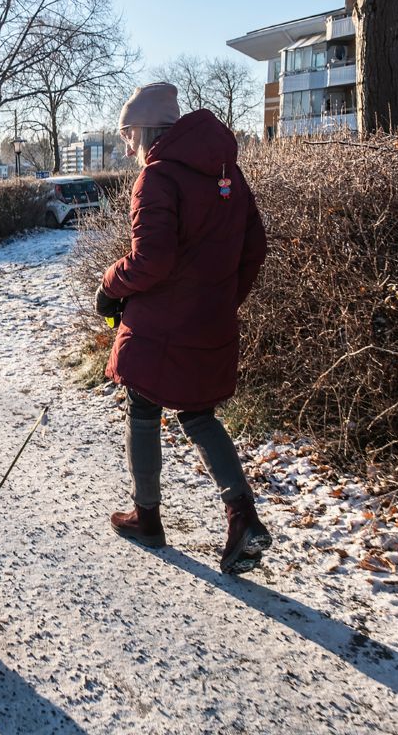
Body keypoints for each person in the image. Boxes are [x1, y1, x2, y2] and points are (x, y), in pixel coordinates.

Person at [95, 82, 270, 574]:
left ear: (146, 130)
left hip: (159, 326)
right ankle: (243, 516)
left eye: (128, 134)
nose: (127, 147)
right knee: (198, 414)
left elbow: (152, 258)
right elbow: (254, 247)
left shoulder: (157, 178)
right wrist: (219, 299)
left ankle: (146, 517)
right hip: (209, 320)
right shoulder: (226, 172)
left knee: (143, 405)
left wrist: (109, 287)